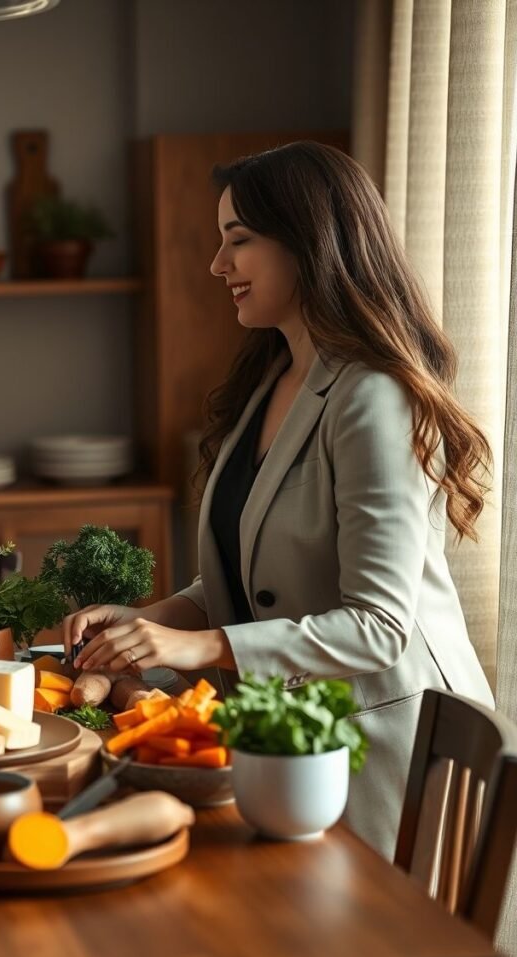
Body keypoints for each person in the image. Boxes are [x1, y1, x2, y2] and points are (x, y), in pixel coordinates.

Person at [62, 141, 494, 858]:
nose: (217, 265)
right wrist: (152, 620)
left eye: (239, 241)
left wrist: (202, 645)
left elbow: (379, 626)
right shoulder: (275, 380)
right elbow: (257, 576)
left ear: (308, 243)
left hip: (390, 754)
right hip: (294, 748)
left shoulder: (373, 397)